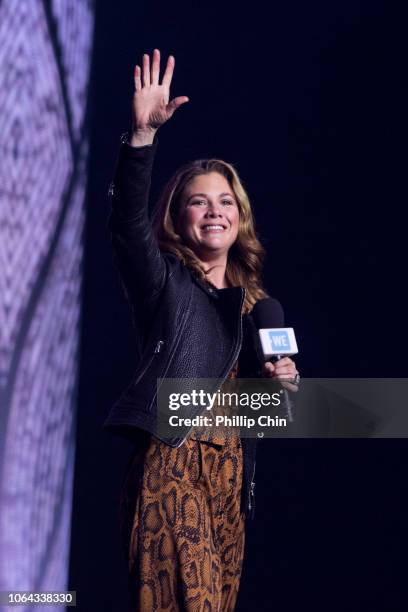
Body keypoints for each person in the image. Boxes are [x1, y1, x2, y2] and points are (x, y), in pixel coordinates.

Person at [104, 48, 299, 611]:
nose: (214, 211)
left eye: (224, 201)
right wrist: (141, 139)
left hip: (232, 485)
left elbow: (266, 415)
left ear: (239, 217)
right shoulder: (162, 281)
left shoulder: (260, 307)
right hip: (172, 463)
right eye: (198, 201)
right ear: (178, 216)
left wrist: (279, 387)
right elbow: (126, 227)